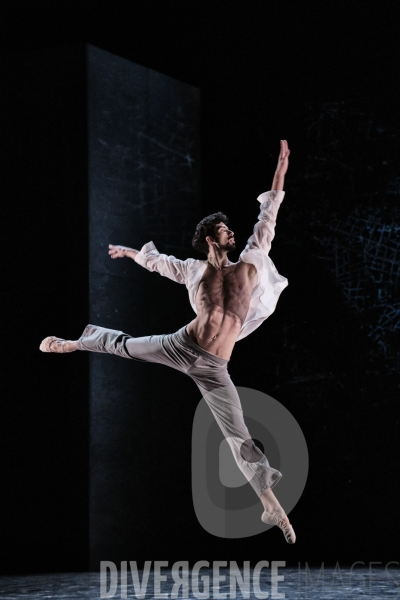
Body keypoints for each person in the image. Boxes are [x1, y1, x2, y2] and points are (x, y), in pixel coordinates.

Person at [40, 140, 295, 543]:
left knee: (237, 434)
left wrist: (280, 170)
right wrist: (131, 253)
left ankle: (269, 504)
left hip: (214, 369)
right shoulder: (195, 270)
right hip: (181, 346)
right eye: (225, 230)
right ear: (212, 239)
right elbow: (160, 264)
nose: (232, 233)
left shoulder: (250, 262)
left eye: (231, 229)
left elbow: (269, 216)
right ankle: (73, 343)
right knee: (125, 345)